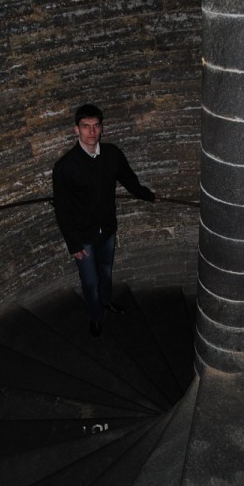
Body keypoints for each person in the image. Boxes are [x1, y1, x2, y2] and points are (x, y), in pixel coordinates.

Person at [53, 104, 156, 338]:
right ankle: (96, 316)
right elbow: (62, 209)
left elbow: (129, 180)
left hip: (108, 229)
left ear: (102, 128)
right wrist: (73, 244)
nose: (91, 131)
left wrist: (148, 195)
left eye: (96, 126)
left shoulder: (112, 154)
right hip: (83, 237)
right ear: (76, 130)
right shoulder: (65, 167)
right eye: (86, 126)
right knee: (90, 282)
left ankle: (106, 302)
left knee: (106, 272)